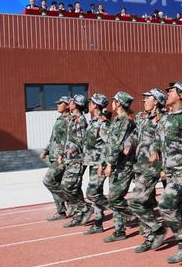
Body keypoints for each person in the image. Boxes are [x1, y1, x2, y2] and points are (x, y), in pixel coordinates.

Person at [149, 82, 182, 263]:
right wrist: (155, 151)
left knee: (165, 205)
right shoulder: (165, 117)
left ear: (181, 95)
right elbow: (157, 137)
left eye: (171, 91)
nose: (168, 93)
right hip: (170, 169)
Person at [128, 89, 169, 252]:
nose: (144, 101)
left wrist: (164, 168)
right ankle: (149, 237)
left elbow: (166, 145)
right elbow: (134, 137)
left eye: (148, 98)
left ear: (157, 101)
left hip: (152, 167)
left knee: (135, 202)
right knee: (145, 202)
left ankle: (157, 229)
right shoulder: (144, 118)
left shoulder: (162, 120)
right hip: (140, 166)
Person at [100, 92, 136, 242]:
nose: (112, 103)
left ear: (119, 103)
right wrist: (103, 163)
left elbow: (117, 144)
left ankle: (136, 214)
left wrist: (109, 164)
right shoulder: (117, 120)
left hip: (122, 164)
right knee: (114, 197)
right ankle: (119, 230)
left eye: (114, 101)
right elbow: (109, 143)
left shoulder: (125, 121)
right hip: (115, 164)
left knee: (115, 197)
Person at [58, 95, 90, 227]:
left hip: (77, 159)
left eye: (71, 102)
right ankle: (78, 215)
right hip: (69, 159)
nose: (68, 103)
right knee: (74, 188)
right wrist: (62, 153)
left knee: (66, 187)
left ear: (76, 104)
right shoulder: (72, 119)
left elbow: (82, 141)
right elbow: (67, 140)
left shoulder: (80, 120)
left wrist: (73, 149)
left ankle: (85, 208)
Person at [81, 93, 111, 234]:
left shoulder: (102, 122)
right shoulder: (93, 121)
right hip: (92, 161)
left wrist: (103, 163)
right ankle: (98, 223)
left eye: (91, 102)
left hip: (99, 163)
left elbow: (108, 144)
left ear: (95, 105)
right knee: (96, 193)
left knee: (91, 193)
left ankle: (121, 209)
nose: (89, 105)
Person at [42, 96, 71, 221]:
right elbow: (54, 138)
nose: (57, 105)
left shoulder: (69, 120)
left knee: (48, 180)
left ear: (67, 105)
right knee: (57, 183)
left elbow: (69, 140)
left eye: (60, 103)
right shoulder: (59, 119)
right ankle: (61, 211)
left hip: (61, 158)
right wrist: (46, 150)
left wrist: (63, 155)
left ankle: (75, 202)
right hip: (53, 156)